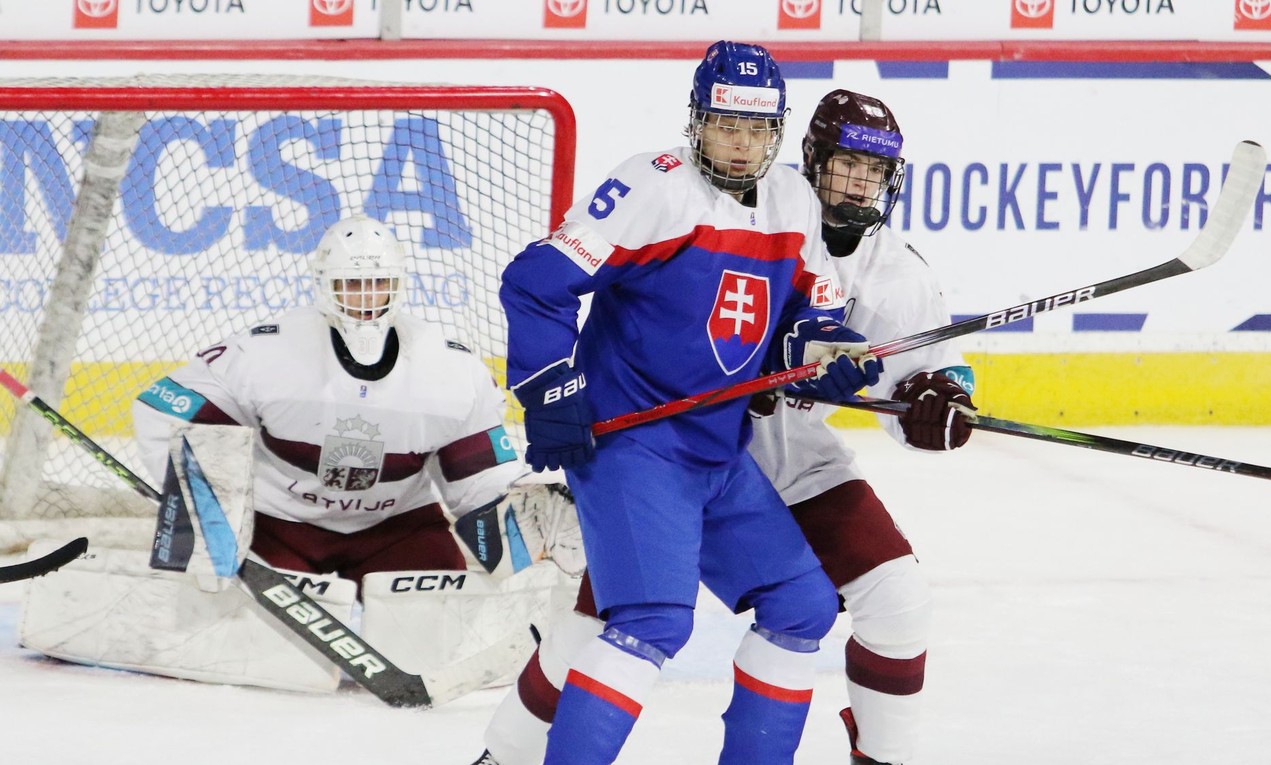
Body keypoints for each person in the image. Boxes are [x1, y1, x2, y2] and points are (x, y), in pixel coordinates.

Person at [470, 90, 975, 765]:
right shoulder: (764, 203)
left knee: (887, 600)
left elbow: (927, 377)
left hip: (786, 462)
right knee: (599, 627)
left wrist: (935, 403)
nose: (858, 183)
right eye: (845, 164)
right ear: (811, 157)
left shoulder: (895, 272)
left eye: (873, 172)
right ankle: (505, 755)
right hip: (677, 452)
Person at [133, 214, 576, 586]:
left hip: (397, 529)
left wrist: (518, 529)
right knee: (247, 633)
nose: (366, 298)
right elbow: (162, 407)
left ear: (399, 285)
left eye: (378, 283)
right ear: (325, 285)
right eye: (352, 284)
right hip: (278, 527)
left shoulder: (450, 371)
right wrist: (204, 504)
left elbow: (476, 479)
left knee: (437, 624)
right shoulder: (266, 353)